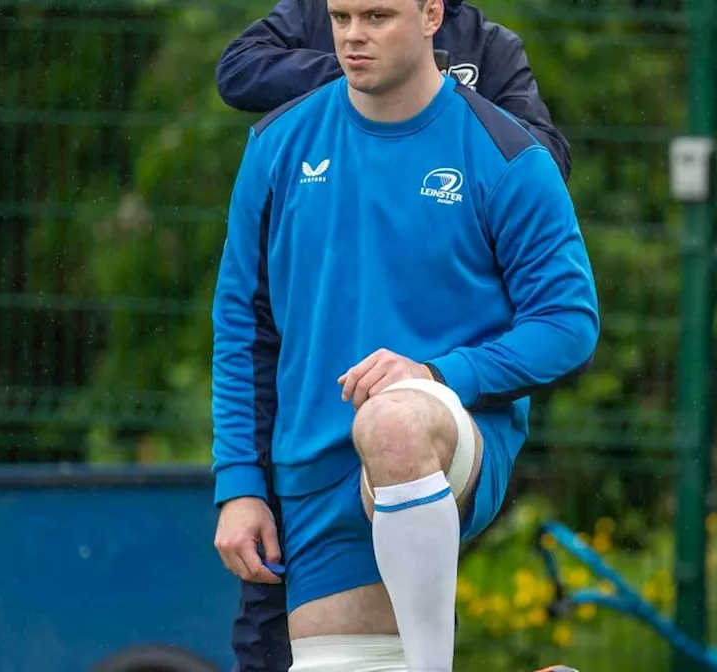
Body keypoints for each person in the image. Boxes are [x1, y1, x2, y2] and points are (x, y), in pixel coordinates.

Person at [209, 0, 599, 669]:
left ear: (430, 16)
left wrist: (438, 374)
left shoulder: (506, 152)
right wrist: (240, 484)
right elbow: (242, 330)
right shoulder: (276, 145)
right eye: (342, 17)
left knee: (391, 422)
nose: (355, 37)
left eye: (379, 16)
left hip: (447, 433)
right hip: (313, 470)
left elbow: (569, 323)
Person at [215, 0, 572, 183]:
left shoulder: (491, 45)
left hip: (445, 243)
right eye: (341, 19)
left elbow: (547, 159)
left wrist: (444, 100)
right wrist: (363, 74)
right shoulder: (321, 8)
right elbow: (237, 71)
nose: (352, 30)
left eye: (378, 18)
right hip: (330, 218)